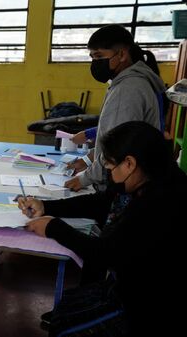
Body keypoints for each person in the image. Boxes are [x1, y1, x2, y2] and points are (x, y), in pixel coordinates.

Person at [19, 121, 186, 336]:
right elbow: (101, 203)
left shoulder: (161, 202)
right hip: (127, 286)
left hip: (147, 306)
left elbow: (103, 253)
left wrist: (53, 227)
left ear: (129, 163)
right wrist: (46, 206)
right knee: (67, 304)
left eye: (109, 166)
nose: (108, 173)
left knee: (64, 327)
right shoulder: (153, 176)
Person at [64, 24, 165, 192]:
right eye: (92, 57)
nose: (95, 63)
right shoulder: (130, 83)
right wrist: (89, 160)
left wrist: (84, 179)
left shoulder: (128, 89)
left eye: (99, 56)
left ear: (122, 54)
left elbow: (118, 149)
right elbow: (113, 139)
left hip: (122, 184)